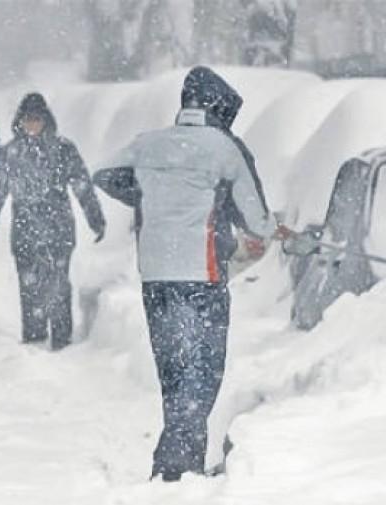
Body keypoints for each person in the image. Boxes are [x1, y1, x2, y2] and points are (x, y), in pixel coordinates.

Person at [93, 66, 294, 481]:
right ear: (220, 109)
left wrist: (152, 197)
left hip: (155, 276)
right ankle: (175, 469)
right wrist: (267, 225)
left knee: (173, 369)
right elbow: (257, 221)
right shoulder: (224, 148)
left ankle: (182, 464)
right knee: (202, 371)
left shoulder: (148, 144)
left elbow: (105, 175)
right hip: (201, 275)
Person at [0, 93, 105, 350]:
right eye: (27, 119)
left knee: (58, 283)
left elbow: (82, 185)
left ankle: (62, 337)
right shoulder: (10, 153)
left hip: (58, 228)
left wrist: (95, 218)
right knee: (29, 285)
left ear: (46, 120)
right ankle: (34, 337)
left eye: (37, 119)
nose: (32, 124)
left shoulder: (63, 149)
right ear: (20, 121)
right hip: (25, 230)